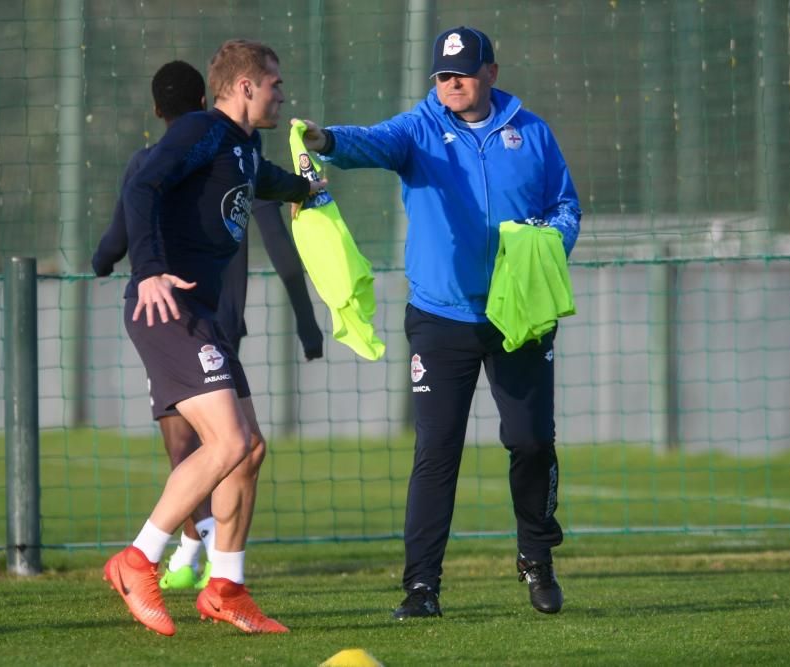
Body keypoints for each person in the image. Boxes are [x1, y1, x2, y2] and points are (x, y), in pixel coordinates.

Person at [296, 25, 581, 618]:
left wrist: (550, 240)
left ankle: (537, 558)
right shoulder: (420, 129)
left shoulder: (532, 133)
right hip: (439, 317)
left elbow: (565, 205)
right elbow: (369, 142)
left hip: (520, 315)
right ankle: (421, 588)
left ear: (491, 74)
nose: (452, 83)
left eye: (463, 72)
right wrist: (324, 140)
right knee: (436, 451)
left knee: (531, 441)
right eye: (443, 74)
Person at [101, 39, 326, 636]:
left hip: (205, 315)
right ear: (246, 86)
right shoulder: (202, 128)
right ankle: (138, 560)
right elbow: (142, 185)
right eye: (275, 83)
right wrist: (147, 269)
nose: (282, 92)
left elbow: (267, 181)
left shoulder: (245, 146)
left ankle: (226, 587)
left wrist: (307, 190)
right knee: (226, 443)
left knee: (248, 451)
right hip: (167, 306)